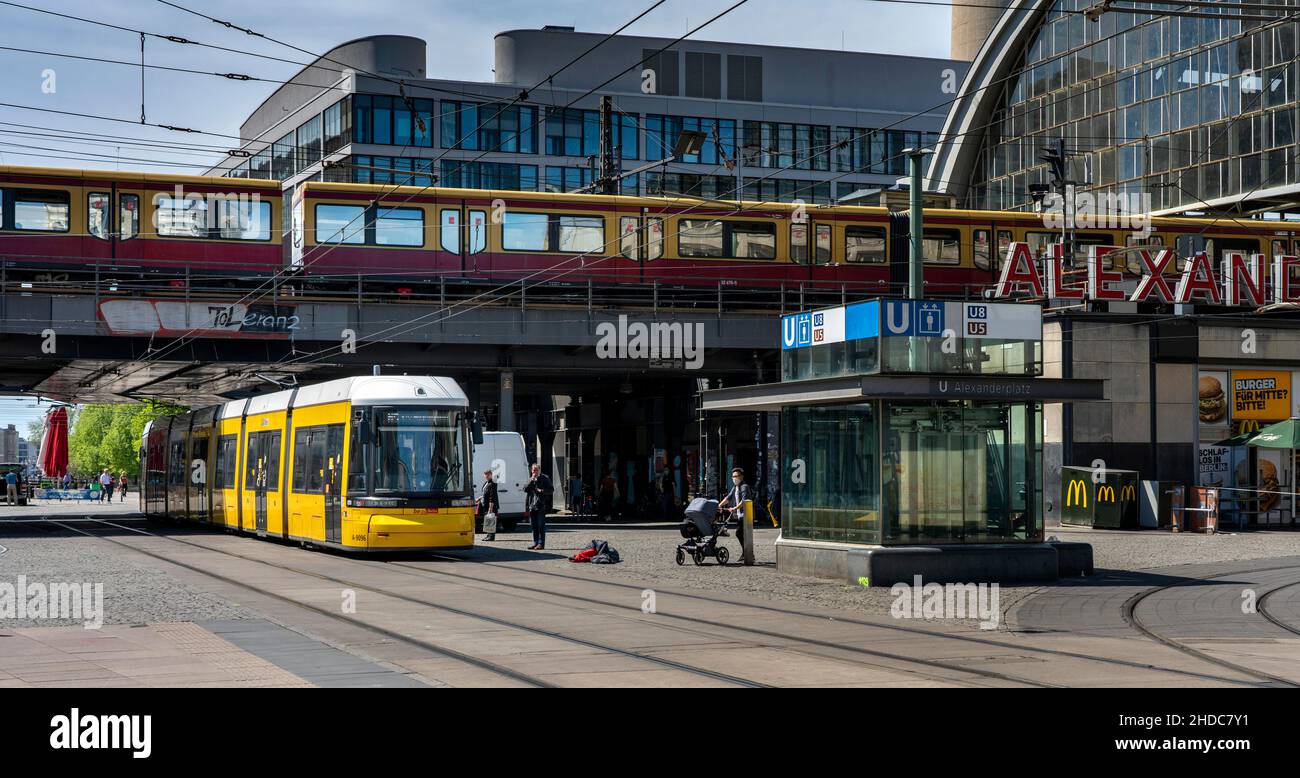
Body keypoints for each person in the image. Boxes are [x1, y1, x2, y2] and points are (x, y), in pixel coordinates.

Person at [718, 468, 751, 550]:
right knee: (740, 534)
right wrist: (719, 505)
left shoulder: (744, 486)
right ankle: (746, 552)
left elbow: (744, 501)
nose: (735, 478)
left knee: (740, 533)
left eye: (737, 476)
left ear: (742, 477)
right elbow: (728, 498)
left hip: (746, 515)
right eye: (733, 476)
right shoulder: (735, 487)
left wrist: (735, 508)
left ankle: (747, 553)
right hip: (740, 515)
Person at [524, 463, 553, 550]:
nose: (534, 472)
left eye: (536, 470)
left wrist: (541, 490)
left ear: (539, 470)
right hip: (532, 505)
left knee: (540, 525)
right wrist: (531, 481)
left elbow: (551, 490)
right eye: (533, 470)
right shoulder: (531, 479)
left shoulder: (545, 478)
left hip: (541, 505)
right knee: (533, 525)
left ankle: (541, 543)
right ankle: (535, 542)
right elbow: (525, 489)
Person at [477, 467, 500, 542]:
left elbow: (492, 496)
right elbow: (485, 494)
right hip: (485, 505)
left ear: (491, 475)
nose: (486, 476)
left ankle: (491, 536)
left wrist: (491, 507)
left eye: (487, 475)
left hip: (491, 505)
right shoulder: (486, 483)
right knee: (487, 520)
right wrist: (479, 498)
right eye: (485, 475)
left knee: (491, 520)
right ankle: (488, 535)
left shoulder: (493, 484)